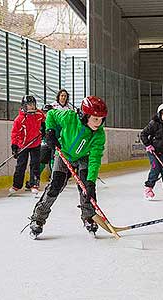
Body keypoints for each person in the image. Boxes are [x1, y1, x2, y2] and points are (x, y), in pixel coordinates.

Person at [28, 96, 107, 238]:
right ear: (84, 115)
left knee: (86, 188)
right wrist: (50, 131)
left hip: (84, 157)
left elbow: (95, 159)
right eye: (95, 119)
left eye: (101, 119)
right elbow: (51, 114)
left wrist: (91, 182)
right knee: (55, 186)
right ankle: (38, 219)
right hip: (63, 153)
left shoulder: (99, 134)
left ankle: (89, 217)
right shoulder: (69, 117)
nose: (98, 123)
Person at [9, 95, 46, 196]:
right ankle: (16, 185)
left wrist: (44, 128)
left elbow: (44, 121)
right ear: (24, 106)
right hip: (23, 144)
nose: (32, 106)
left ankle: (34, 184)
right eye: (29, 105)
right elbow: (15, 134)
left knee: (35, 164)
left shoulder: (39, 114)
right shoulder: (19, 119)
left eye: (33, 104)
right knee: (21, 165)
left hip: (36, 143)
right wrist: (14, 147)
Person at [25, 104, 54, 191]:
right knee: (40, 162)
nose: (46, 114)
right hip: (44, 144)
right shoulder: (40, 121)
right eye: (45, 112)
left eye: (48, 112)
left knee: (54, 162)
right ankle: (33, 182)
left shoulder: (55, 121)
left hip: (54, 144)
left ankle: (55, 181)